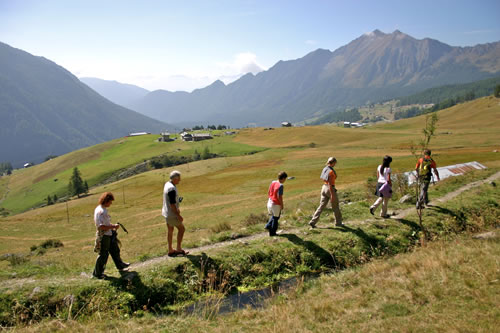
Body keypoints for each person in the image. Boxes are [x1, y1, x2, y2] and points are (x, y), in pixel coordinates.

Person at [93, 192, 129, 279]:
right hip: (104, 236)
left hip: (109, 234)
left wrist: (112, 226)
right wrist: (113, 226)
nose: (111, 203)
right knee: (103, 255)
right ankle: (97, 273)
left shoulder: (101, 209)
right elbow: (101, 226)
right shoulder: (101, 211)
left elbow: (105, 223)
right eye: (110, 201)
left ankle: (120, 265)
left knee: (115, 250)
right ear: (106, 201)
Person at [309, 157, 343, 228]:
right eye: (335, 163)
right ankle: (338, 223)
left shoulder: (325, 169)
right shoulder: (331, 172)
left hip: (324, 187)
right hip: (330, 188)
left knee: (321, 206)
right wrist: (332, 195)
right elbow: (330, 184)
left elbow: (322, 178)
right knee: (335, 206)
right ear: (333, 163)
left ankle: (313, 221)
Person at [162, 170, 189, 256]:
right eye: (179, 179)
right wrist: (178, 215)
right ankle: (178, 249)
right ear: (175, 179)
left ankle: (170, 249)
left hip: (166, 212)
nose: (180, 180)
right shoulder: (172, 189)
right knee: (182, 229)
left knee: (170, 230)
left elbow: (172, 200)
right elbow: (172, 204)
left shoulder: (167, 184)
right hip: (172, 214)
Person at [265, 171, 287, 236]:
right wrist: (282, 205)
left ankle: (269, 227)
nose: (285, 180)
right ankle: (272, 232)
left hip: (270, 201)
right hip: (276, 203)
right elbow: (280, 197)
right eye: (285, 179)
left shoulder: (273, 182)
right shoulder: (281, 185)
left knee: (273, 217)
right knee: (276, 218)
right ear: (283, 178)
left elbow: (269, 191)